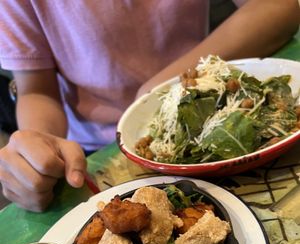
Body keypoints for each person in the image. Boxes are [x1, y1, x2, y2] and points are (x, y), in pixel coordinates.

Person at [0, 0, 299, 212]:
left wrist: (155, 92)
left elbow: (277, 7)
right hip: (94, 153)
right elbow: (36, 88)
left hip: (207, 109)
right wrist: (37, 151)